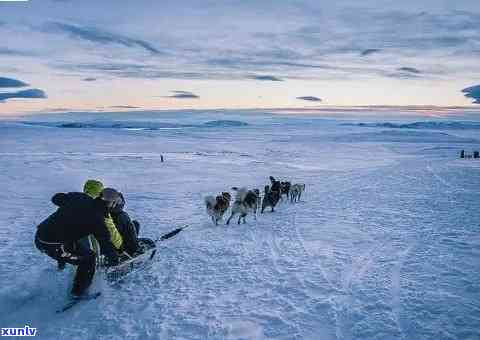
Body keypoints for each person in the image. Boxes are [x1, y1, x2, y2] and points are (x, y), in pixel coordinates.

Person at [35, 191, 119, 297]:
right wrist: (115, 259)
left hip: (40, 235)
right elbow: (106, 244)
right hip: (52, 245)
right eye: (115, 203)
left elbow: (56, 198)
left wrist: (70, 208)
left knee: (78, 247)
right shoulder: (98, 221)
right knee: (88, 259)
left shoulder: (80, 197)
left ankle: (62, 265)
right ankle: (78, 294)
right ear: (111, 203)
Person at [101, 188, 143, 256]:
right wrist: (134, 249)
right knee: (134, 224)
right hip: (120, 247)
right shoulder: (122, 216)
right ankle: (135, 248)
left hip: (106, 243)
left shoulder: (100, 212)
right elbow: (128, 233)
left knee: (135, 224)